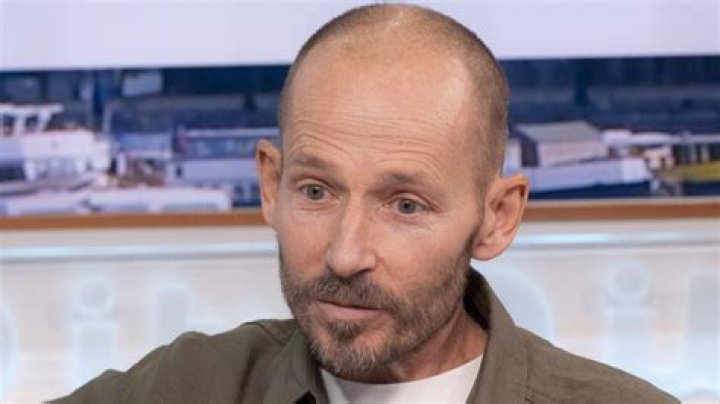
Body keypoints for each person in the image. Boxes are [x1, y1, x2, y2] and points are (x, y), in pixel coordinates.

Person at [54, 4, 678, 403]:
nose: (346, 254)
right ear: (271, 185)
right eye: (316, 192)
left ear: (497, 218)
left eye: (405, 206)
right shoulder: (187, 387)